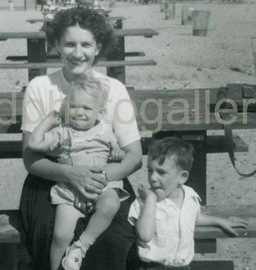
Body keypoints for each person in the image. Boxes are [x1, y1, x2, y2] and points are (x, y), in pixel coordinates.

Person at [19, 7, 142, 270]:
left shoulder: (114, 89)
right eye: (69, 44)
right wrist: (72, 175)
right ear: (56, 46)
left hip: (105, 177)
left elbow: (134, 155)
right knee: (48, 231)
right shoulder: (41, 87)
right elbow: (30, 158)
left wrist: (96, 179)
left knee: (116, 236)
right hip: (50, 179)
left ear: (98, 47)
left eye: (86, 44)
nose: (78, 53)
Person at [28, 78, 130, 270]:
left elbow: (118, 150)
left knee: (111, 204)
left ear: (100, 113)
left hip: (102, 186)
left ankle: (81, 247)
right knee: (60, 235)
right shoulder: (63, 132)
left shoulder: (106, 131)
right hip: (70, 190)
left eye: (87, 108)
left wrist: (117, 152)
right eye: (73, 106)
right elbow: (34, 144)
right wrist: (47, 122)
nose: (79, 112)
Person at [128, 137, 248, 270]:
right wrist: (151, 199)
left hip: (183, 266)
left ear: (182, 177)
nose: (152, 178)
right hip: (153, 266)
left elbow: (193, 217)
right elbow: (144, 235)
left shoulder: (190, 196)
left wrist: (220, 221)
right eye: (150, 170)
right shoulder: (144, 202)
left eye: (161, 172)